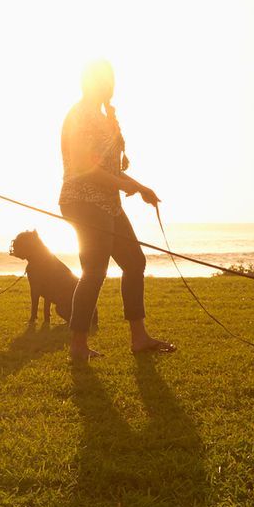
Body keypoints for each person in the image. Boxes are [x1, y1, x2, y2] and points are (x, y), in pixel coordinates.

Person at [59, 60, 177, 361]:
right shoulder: (80, 115)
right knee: (95, 270)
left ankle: (139, 338)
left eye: (109, 80)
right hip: (82, 200)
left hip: (108, 203)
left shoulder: (105, 118)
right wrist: (122, 185)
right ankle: (78, 345)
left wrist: (141, 187)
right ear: (87, 83)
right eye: (100, 80)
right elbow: (86, 168)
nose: (106, 85)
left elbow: (111, 170)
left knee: (134, 262)